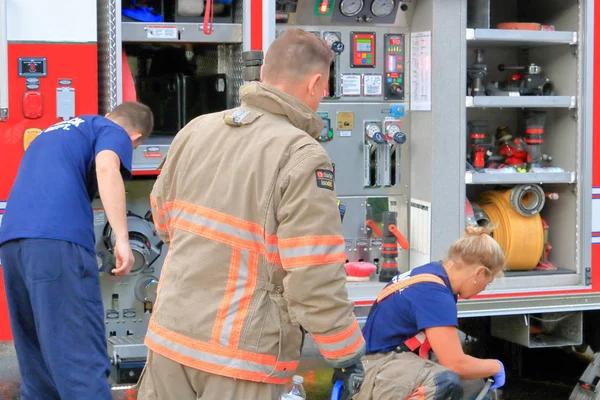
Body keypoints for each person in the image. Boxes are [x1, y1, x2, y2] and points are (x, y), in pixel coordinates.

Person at [138, 28, 365, 400]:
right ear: (315, 83)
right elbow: (312, 275)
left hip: (170, 339)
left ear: (264, 74)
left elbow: (163, 222)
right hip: (240, 358)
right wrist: (345, 352)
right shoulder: (302, 155)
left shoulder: (196, 130)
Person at [0, 102, 154, 400]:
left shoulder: (56, 131)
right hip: (57, 243)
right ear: (134, 138)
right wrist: (122, 238)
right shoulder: (112, 131)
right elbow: (107, 166)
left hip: (13, 243)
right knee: (79, 354)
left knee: (37, 362)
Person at [356, 226, 506, 400]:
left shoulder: (433, 274)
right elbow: (455, 364)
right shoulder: (435, 295)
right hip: (374, 369)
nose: (482, 289)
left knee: (474, 386)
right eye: (486, 283)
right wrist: (495, 366)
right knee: (443, 382)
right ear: (479, 272)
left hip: (384, 360)